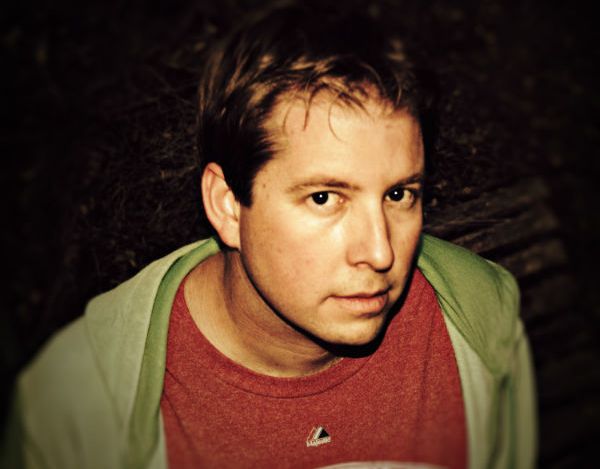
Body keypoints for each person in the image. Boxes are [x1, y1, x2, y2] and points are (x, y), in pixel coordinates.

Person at [3, 2, 537, 468]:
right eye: (324, 198)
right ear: (227, 204)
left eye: (398, 194)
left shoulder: (481, 327)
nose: (379, 252)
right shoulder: (76, 407)